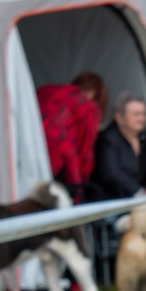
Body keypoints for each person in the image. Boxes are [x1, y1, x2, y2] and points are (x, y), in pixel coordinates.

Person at [36, 71, 107, 203]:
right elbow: (85, 152)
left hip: (34, 153)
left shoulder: (47, 91)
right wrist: (81, 187)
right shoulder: (88, 108)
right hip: (63, 162)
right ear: (96, 93)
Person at [91, 91, 146, 201]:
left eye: (143, 114)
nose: (142, 119)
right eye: (136, 114)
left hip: (138, 199)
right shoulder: (108, 139)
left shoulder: (145, 137)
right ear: (119, 117)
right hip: (112, 202)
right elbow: (111, 173)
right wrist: (139, 191)